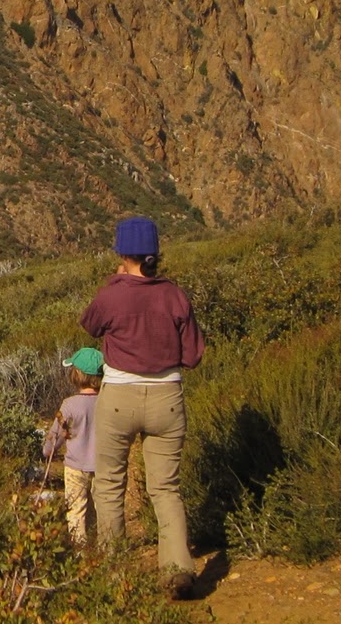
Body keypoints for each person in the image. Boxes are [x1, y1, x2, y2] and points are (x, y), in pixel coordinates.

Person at [80, 215, 204, 600]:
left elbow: (90, 325)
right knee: (165, 488)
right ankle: (178, 570)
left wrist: (115, 283)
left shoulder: (112, 295)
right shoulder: (175, 295)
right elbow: (193, 356)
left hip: (119, 398)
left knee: (109, 484)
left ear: (122, 253)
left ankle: (115, 574)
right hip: (168, 399)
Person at [42, 346, 104, 545]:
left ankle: (80, 550)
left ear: (76, 374)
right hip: (103, 466)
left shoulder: (69, 404)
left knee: (76, 510)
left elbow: (56, 434)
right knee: (100, 510)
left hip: (75, 467)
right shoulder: (107, 401)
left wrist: (48, 450)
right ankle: (101, 548)